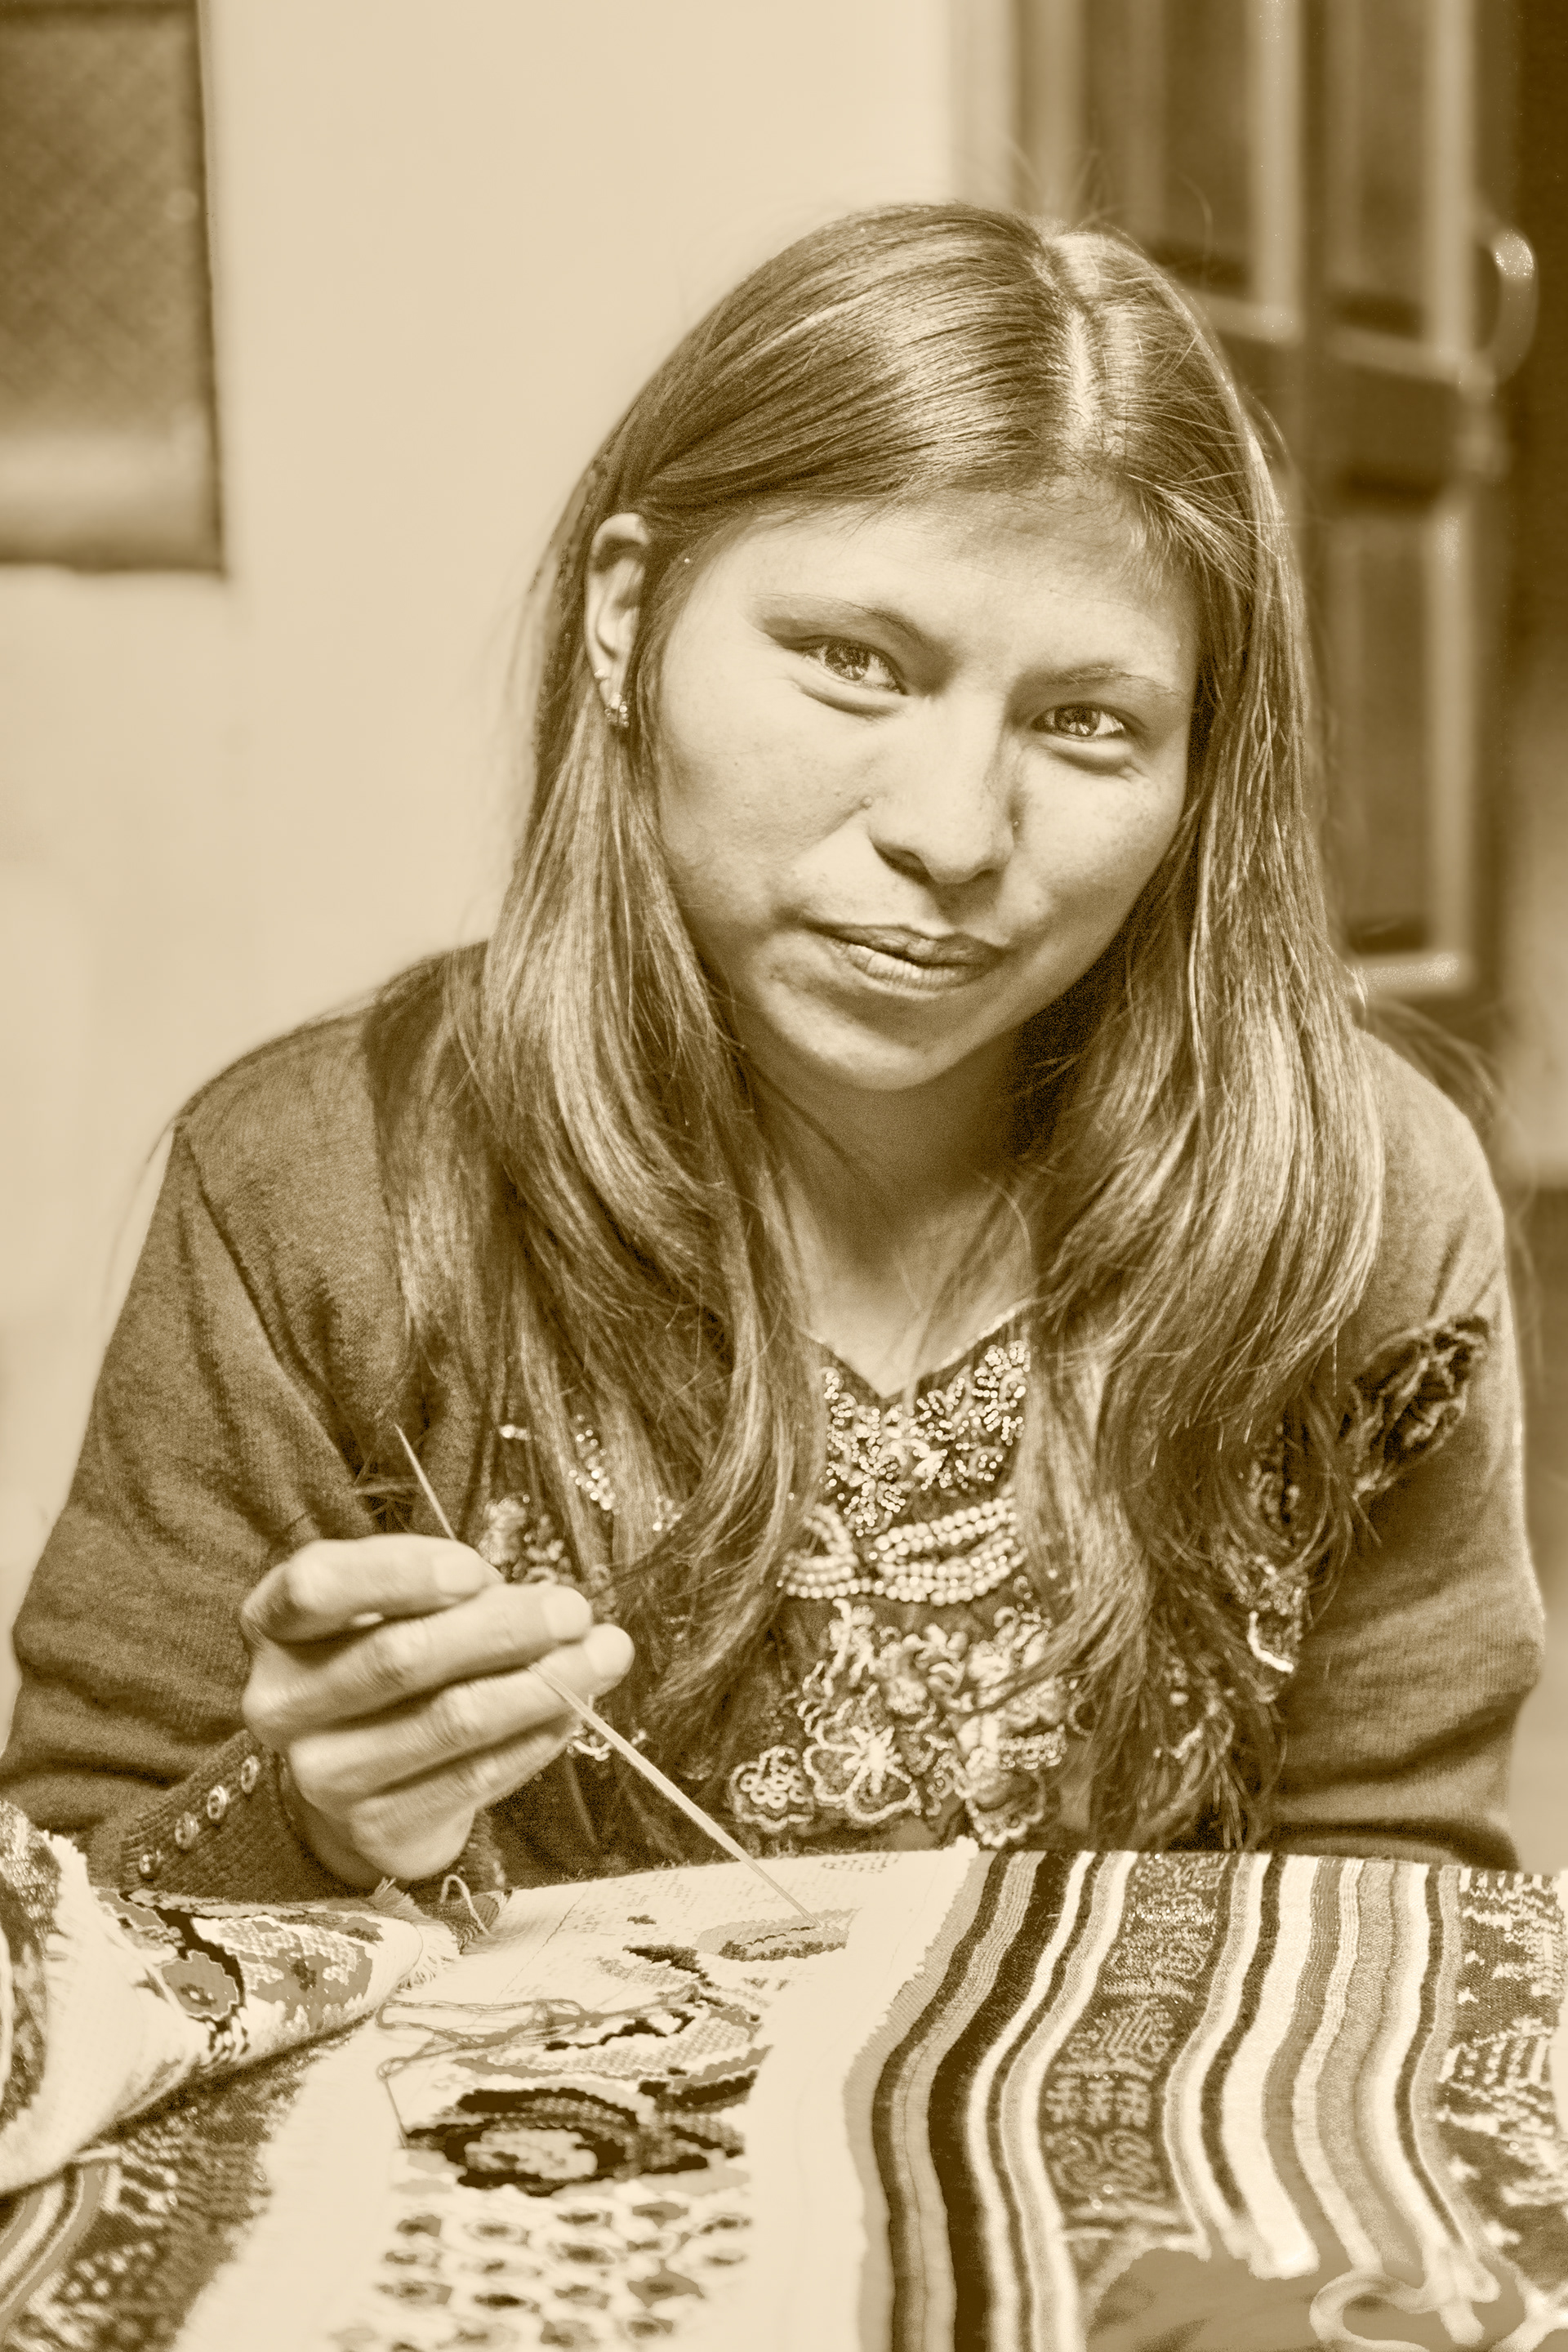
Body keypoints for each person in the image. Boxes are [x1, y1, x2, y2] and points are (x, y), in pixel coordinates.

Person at [0, 205, 1543, 1904]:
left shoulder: (1356, 1211)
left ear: (1199, 769)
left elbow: (1402, 1911)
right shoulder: (322, 1198)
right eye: (853, 664)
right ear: (626, 618)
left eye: (1088, 723)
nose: (954, 833)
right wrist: (313, 1819)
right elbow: (67, 1910)